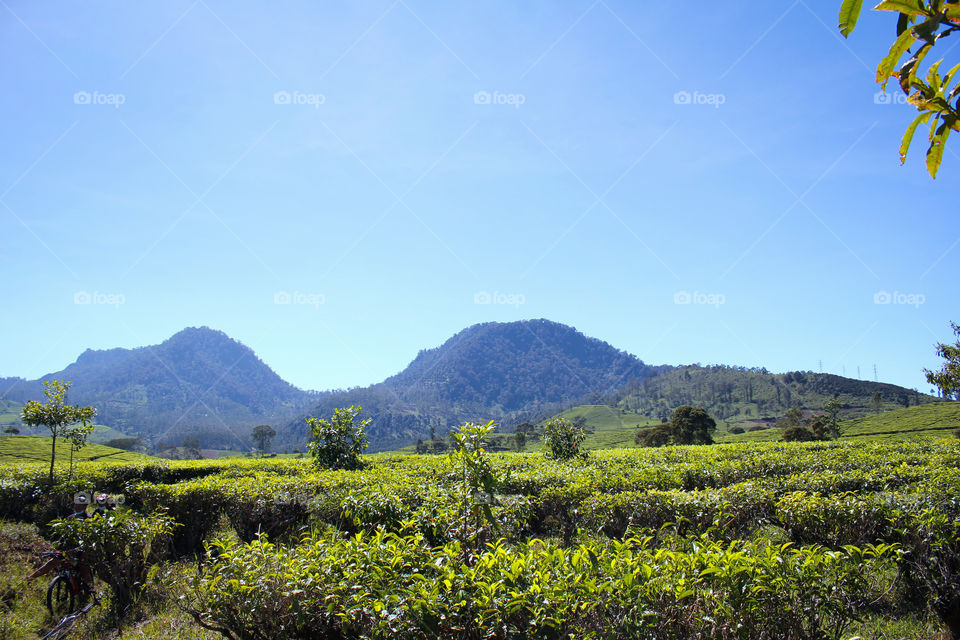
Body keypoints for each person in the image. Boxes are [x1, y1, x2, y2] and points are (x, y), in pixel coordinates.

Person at [25, 494, 94, 591]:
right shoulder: (70, 518)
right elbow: (65, 534)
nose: (77, 506)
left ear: (84, 507)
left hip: (82, 548)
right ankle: (29, 578)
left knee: (83, 566)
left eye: (80, 505)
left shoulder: (89, 519)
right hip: (69, 548)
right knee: (52, 562)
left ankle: (91, 590)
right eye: (75, 504)